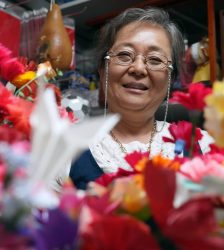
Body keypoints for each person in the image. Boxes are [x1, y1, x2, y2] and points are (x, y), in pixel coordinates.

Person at [65, 7, 214, 190]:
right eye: (124, 55)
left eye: (155, 60)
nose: (138, 68)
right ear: (103, 70)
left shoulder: (203, 145)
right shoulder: (65, 147)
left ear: (170, 80)